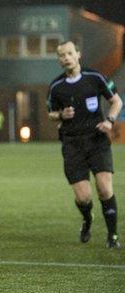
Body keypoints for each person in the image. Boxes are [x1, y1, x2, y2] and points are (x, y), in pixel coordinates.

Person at [47, 40, 123, 248]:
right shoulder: (56, 86)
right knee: (83, 198)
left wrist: (110, 121)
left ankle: (112, 236)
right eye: (62, 55)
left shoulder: (95, 77)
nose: (67, 57)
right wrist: (61, 114)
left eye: (70, 53)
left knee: (104, 189)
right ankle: (87, 220)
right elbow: (50, 113)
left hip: (97, 141)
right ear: (59, 60)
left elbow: (116, 101)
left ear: (78, 54)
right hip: (72, 144)